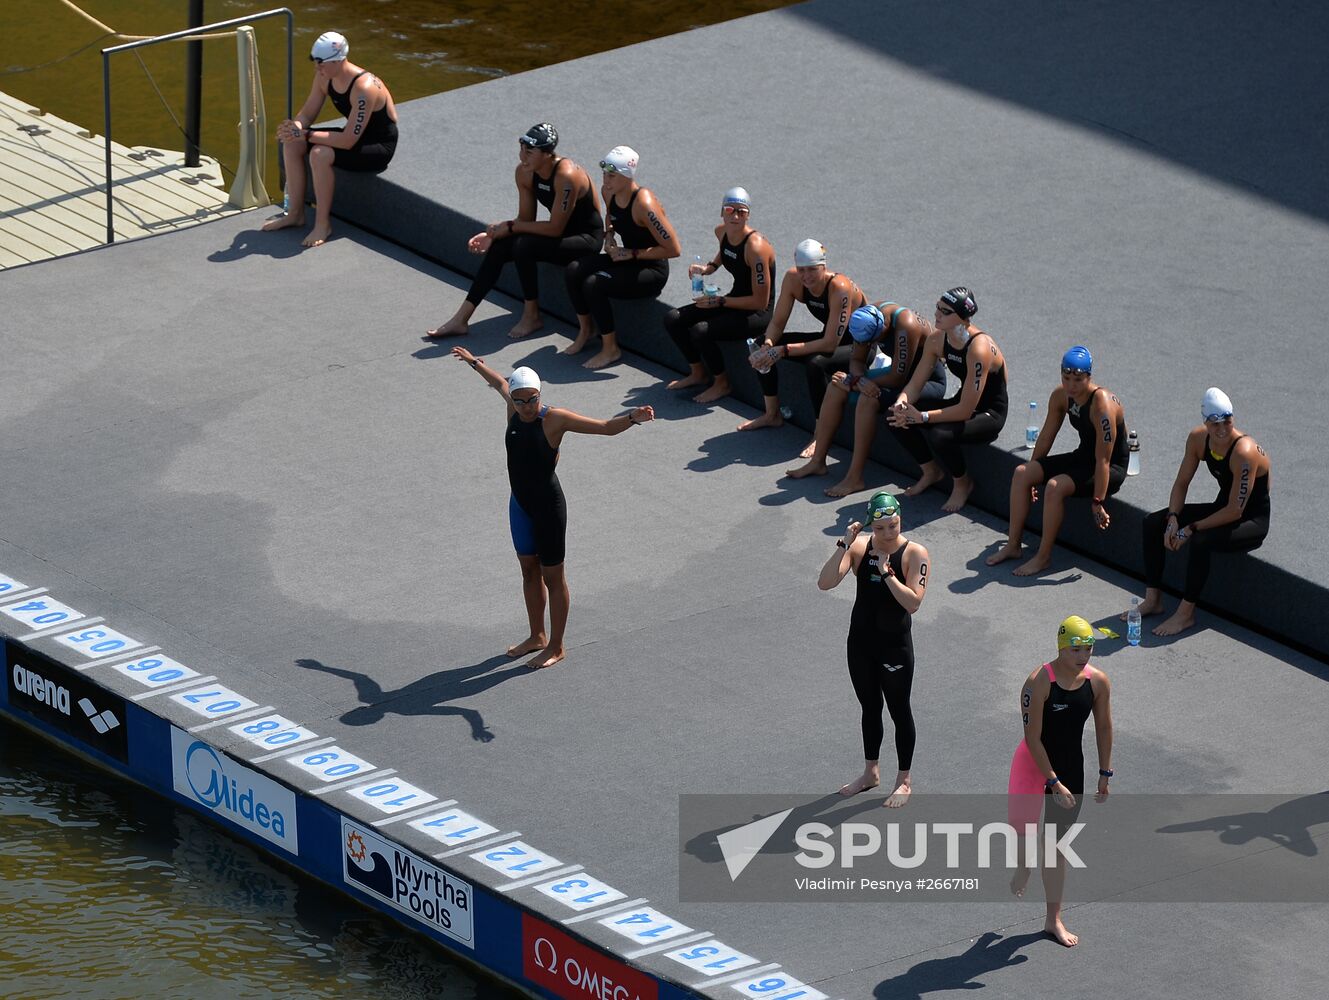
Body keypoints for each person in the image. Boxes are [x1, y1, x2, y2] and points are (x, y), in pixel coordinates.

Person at [451, 346, 654, 667]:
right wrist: (474, 362)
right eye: (521, 400)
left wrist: (632, 418)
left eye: (534, 399)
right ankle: (537, 636)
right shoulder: (513, 408)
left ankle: (557, 646)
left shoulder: (555, 419)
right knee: (528, 571)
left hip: (548, 508)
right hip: (519, 505)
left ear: (540, 394)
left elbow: (603, 427)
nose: (528, 406)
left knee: (553, 577)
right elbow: (499, 383)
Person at [427, 123, 603, 340]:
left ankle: (532, 315)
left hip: (585, 240)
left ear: (548, 154)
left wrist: (510, 227)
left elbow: (555, 228)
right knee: (501, 248)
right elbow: (525, 220)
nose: (522, 157)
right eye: (521, 150)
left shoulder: (566, 176)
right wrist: (494, 234)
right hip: (560, 234)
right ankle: (461, 319)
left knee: (524, 245)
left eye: (529, 152)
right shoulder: (525, 173)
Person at [817, 492, 930, 808]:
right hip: (861, 644)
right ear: (871, 526)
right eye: (880, 529)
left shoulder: (914, 553)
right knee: (869, 708)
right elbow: (825, 583)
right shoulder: (859, 547)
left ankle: (904, 780)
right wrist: (843, 543)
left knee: (899, 710)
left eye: (893, 526)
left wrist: (887, 574)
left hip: (895, 648)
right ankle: (871, 773)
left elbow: (913, 603)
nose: (887, 534)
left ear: (900, 520)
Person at [1007, 615, 1114, 947]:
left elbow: (1104, 727)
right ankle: (1024, 864)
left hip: (1070, 767)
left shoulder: (1098, 682)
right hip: (1032, 764)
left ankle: (1053, 918)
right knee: (1023, 835)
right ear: (1061, 647)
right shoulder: (1038, 681)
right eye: (1076, 649)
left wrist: (1104, 773)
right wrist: (1053, 781)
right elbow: (1033, 737)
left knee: (1055, 847)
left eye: (1089, 648)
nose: (1083, 656)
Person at [1130, 387, 1271, 636]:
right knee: (1153, 522)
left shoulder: (1244, 452)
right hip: (1222, 508)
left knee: (1201, 540)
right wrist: (1173, 518)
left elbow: (1235, 511)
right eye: (1214, 423)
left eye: (1227, 421)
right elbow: (1182, 483)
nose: (1222, 430)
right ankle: (1154, 599)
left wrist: (1190, 528)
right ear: (1204, 422)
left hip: (1250, 520)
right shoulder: (1198, 439)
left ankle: (1185, 614)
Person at [987, 346, 1129, 575]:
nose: (1071, 385)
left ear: (1089, 377)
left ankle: (1043, 557)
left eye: (1078, 380)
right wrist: (1034, 472)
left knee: (1055, 486)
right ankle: (1013, 545)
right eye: (1066, 378)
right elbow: (1045, 437)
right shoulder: (1061, 396)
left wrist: (1098, 502)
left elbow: (1103, 459)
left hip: (1111, 466)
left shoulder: (1101, 405)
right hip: (1084, 456)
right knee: (1022, 472)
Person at [787, 302, 946, 496]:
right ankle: (818, 461)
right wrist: (858, 380)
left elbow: (898, 377)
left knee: (868, 399)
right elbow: (857, 361)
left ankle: (855, 477)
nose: (867, 345)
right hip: (899, 376)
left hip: (926, 382)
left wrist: (856, 383)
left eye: (873, 341)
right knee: (836, 386)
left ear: (883, 328)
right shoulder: (867, 316)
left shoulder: (906, 325)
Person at [263, 31, 399, 248]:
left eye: (321, 63)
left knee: (319, 153)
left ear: (339, 60)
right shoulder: (324, 76)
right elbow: (307, 114)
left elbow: (347, 141)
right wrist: (295, 128)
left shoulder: (364, 88)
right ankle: (295, 214)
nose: (317, 68)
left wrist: (306, 134)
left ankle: (322, 224)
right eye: (315, 62)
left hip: (377, 145)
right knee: (292, 142)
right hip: (353, 136)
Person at [888, 287, 1008, 512]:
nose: (937, 314)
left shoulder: (978, 348)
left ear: (962, 318)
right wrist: (902, 402)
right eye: (937, 307)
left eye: (945, 311)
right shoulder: (937, 339)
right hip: (963, 402)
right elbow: (915, 384)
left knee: (940, 435)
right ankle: (930, 470)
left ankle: (962, 483)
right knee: (894, 414)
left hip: (988, 414)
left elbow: (964, 411)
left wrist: (922, 417)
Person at [563, 146, 682, 369]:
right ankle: (586, 330)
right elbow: (611, 215)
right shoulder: (609, 192)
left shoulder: (644, 205)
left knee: (593, 284)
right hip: (625, 260)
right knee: (574, 270)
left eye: (612, 175)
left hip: (651, 270)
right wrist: (609, 235)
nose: (605, 181)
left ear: (627, 177)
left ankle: (610, 349)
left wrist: (632, 253)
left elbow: (674, 249)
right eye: (605, 174)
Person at [741, 240, 868, 434]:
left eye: (812, 270)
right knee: (760, 345)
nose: (806, 276)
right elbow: (777, 323)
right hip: (829, 336)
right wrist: (768, 345)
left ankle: (821, 433)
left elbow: (829, 345)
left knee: (816, 363)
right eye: (802, 270)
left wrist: (783, 350)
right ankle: (772, 414)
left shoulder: (839, 287)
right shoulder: (793, 279)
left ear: (823, 267)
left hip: (859, 347)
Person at [663, 187, 775, 403]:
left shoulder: (756, 248)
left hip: (756, 313)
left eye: (741, 212)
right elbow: (725, 252)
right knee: (673, 319)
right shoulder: (721, 232)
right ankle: (698, 372)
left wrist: (720, 301)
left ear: (748, 215)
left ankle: (722, 383)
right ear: (721, 212)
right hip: (734, 301)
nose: (735, 216)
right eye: (730, 210)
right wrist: (709, 268)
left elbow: (760, 301)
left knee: (701, 331)